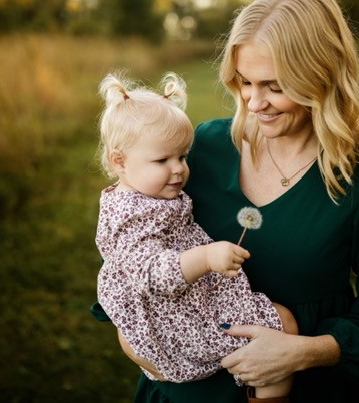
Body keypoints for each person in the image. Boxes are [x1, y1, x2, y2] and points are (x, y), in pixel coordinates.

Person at [102, 0, 359, 403]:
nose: (255, 103)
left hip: (307, 390)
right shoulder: (204, 150)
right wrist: (140, 348)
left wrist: (302, 353)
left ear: (322, 77)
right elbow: (130, 242)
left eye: (275, 86)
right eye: (244, 82)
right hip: (181, 391)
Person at [93, 70, 298, 401]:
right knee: (282, 325)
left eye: (182, 156)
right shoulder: (131, 214)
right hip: (177, 319)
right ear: (120, 161)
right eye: (162, 159)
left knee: (280, 327)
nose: (178, 169)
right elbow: (150, 273)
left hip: (190, 303)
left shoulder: (147, 194)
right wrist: (205, 257)